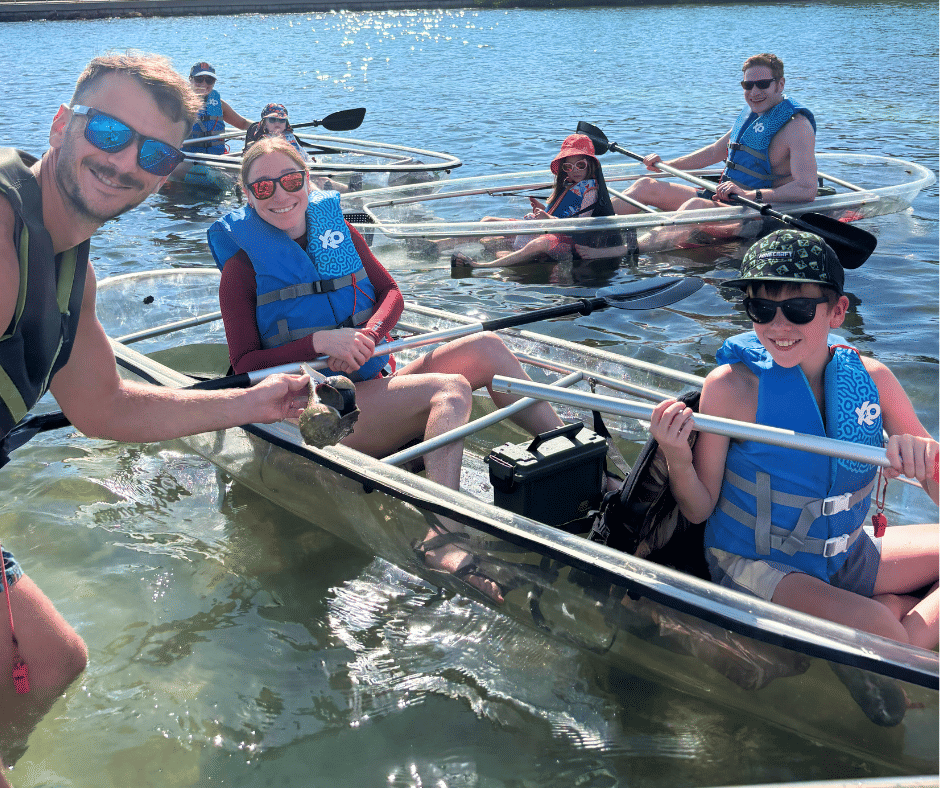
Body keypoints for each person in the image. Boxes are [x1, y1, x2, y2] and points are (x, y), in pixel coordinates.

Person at [0, 52, 311, 781]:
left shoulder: (72, 268)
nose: (123, 162)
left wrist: (252, 401)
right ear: (61, 125)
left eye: (154, 153)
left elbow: (104, 407)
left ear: (167, 173)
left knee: (51, 661)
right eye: (108, 131)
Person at [209, 136, 570, 602]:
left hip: (371, 382)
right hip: (317, 412)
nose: (280, 195)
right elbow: (243, 365)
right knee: (450, 389)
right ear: (247, 194)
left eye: (291, 180)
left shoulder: (338, 233)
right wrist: (319, 342)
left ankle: (576, 461)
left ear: (308, 180)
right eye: (263, 187)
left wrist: (369, 335)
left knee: (488, 348)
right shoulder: (241, 269)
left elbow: (391, 294)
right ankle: (444, 536)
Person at [648, 229, 938, 649]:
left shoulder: (874, 380)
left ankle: (895, 614)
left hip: (843, 551)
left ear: (837, 311)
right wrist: (676, 454)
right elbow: (698, 510)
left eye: (799, 309)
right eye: (761, 308)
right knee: (882, 631)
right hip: (757, 561)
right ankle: (895, 620)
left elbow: (934, 479)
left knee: (886, 626)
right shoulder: (731, 387)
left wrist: (925, 459)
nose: (778, 326)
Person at [450, 133, 616, 268]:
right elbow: (563, 212)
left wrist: (548, 219)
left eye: (580, 165)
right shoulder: (568, 184)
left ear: (590, 164)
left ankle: (481, 266)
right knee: (488, 221)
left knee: (539, 244)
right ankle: (440, 245)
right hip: (549, 228)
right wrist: (541, 209)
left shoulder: (590, 191)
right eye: (568, 167)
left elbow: (581, 227)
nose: (574, 171)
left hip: (568, 242)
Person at [244, 103, 349, 193]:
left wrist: (312, 164)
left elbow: (302, 153)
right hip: (287, 174)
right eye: (272, 120)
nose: (277, 123)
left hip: (304, 168)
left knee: (323, 180)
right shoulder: (265, 141)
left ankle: (349, 189)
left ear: (286, 123)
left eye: (282, 120)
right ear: (264, 124)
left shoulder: (291, 136)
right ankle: (321, 198)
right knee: (309, 183)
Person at [185, 62, 251, 155]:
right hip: (188, 157)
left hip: (216, 157)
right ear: (190, 79)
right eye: (199, 79)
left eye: (209, 80)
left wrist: (263, 125)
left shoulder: (218, 104)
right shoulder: (180, 104)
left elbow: (243, 123)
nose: (204, 84)